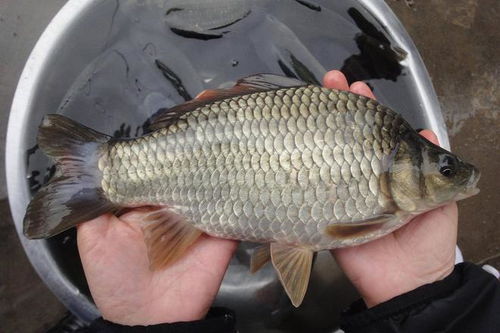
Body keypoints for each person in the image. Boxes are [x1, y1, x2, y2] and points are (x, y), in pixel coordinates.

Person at [76, 70, 500, 333]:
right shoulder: (383, 206)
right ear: (405, 163)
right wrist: (427, 302)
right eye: (446, 171)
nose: (456, 178)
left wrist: (143, 326)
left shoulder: (387, 190)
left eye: (446, 171)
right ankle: (104, 171)